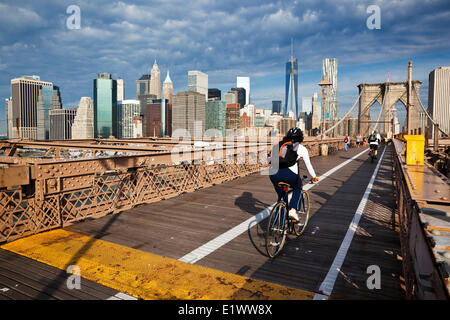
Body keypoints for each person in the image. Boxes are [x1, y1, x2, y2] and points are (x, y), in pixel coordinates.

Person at [268, 128, 320, 221]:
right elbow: (308, 165)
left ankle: (277, 220)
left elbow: (269, 159)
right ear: (301, 138)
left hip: (273, 174)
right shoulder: (301, 148)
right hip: (289, 175)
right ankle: (292, 210)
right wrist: (314, 176)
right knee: (298, 187)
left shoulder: (280, 144)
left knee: (282, 197)